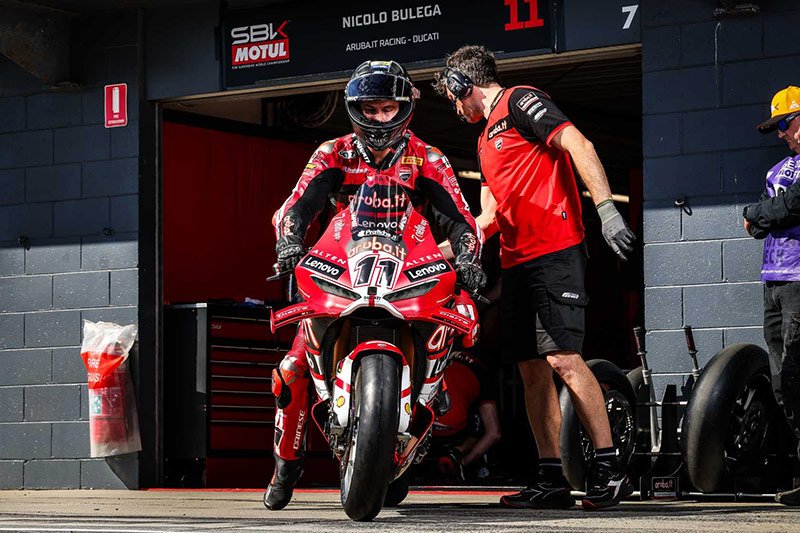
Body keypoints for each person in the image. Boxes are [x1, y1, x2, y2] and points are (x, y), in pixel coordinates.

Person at [264, 59, 487, 511]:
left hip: (411, 270)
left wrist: (467, 255)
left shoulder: (429, 157)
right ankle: (285, 465)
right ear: (354, 110)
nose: (380, 118)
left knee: (452, 328)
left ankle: (422, 403)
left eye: (389, 109)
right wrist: (289, 241)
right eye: (371, 109)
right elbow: (297, 205)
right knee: (290, 372)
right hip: (340, 267)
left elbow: (460, 217)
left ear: (404, 109)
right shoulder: (332, 153)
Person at [434, 45, 636, 510]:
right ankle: (551, 479)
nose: (453, 106)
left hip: (557, 252)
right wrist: (430, 255)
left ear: (465, 85)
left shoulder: (522, 101)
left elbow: (579, 144)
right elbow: (486, 220)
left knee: (564, 359)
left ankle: (609, 467)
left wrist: (607, 211)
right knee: (530, 370)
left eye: (452, 96)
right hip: (516, 263)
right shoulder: (483, 141)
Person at [742, 85, 800, 507]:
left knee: (798, 372)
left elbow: (788, 209)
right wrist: (762, 215)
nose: (782, 134)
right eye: (778, 128)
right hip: (773, 281)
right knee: (783, 383)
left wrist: (755, 214)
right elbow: (768, 215)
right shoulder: (777, 170)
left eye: (786, 124)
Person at [432, 350, 501, 483]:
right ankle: (456, 453)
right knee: (481, 416)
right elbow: (494, 433)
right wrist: (462, 460)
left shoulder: (422, 354)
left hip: (419, 430)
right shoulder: (481, 372)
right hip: (455, 431)